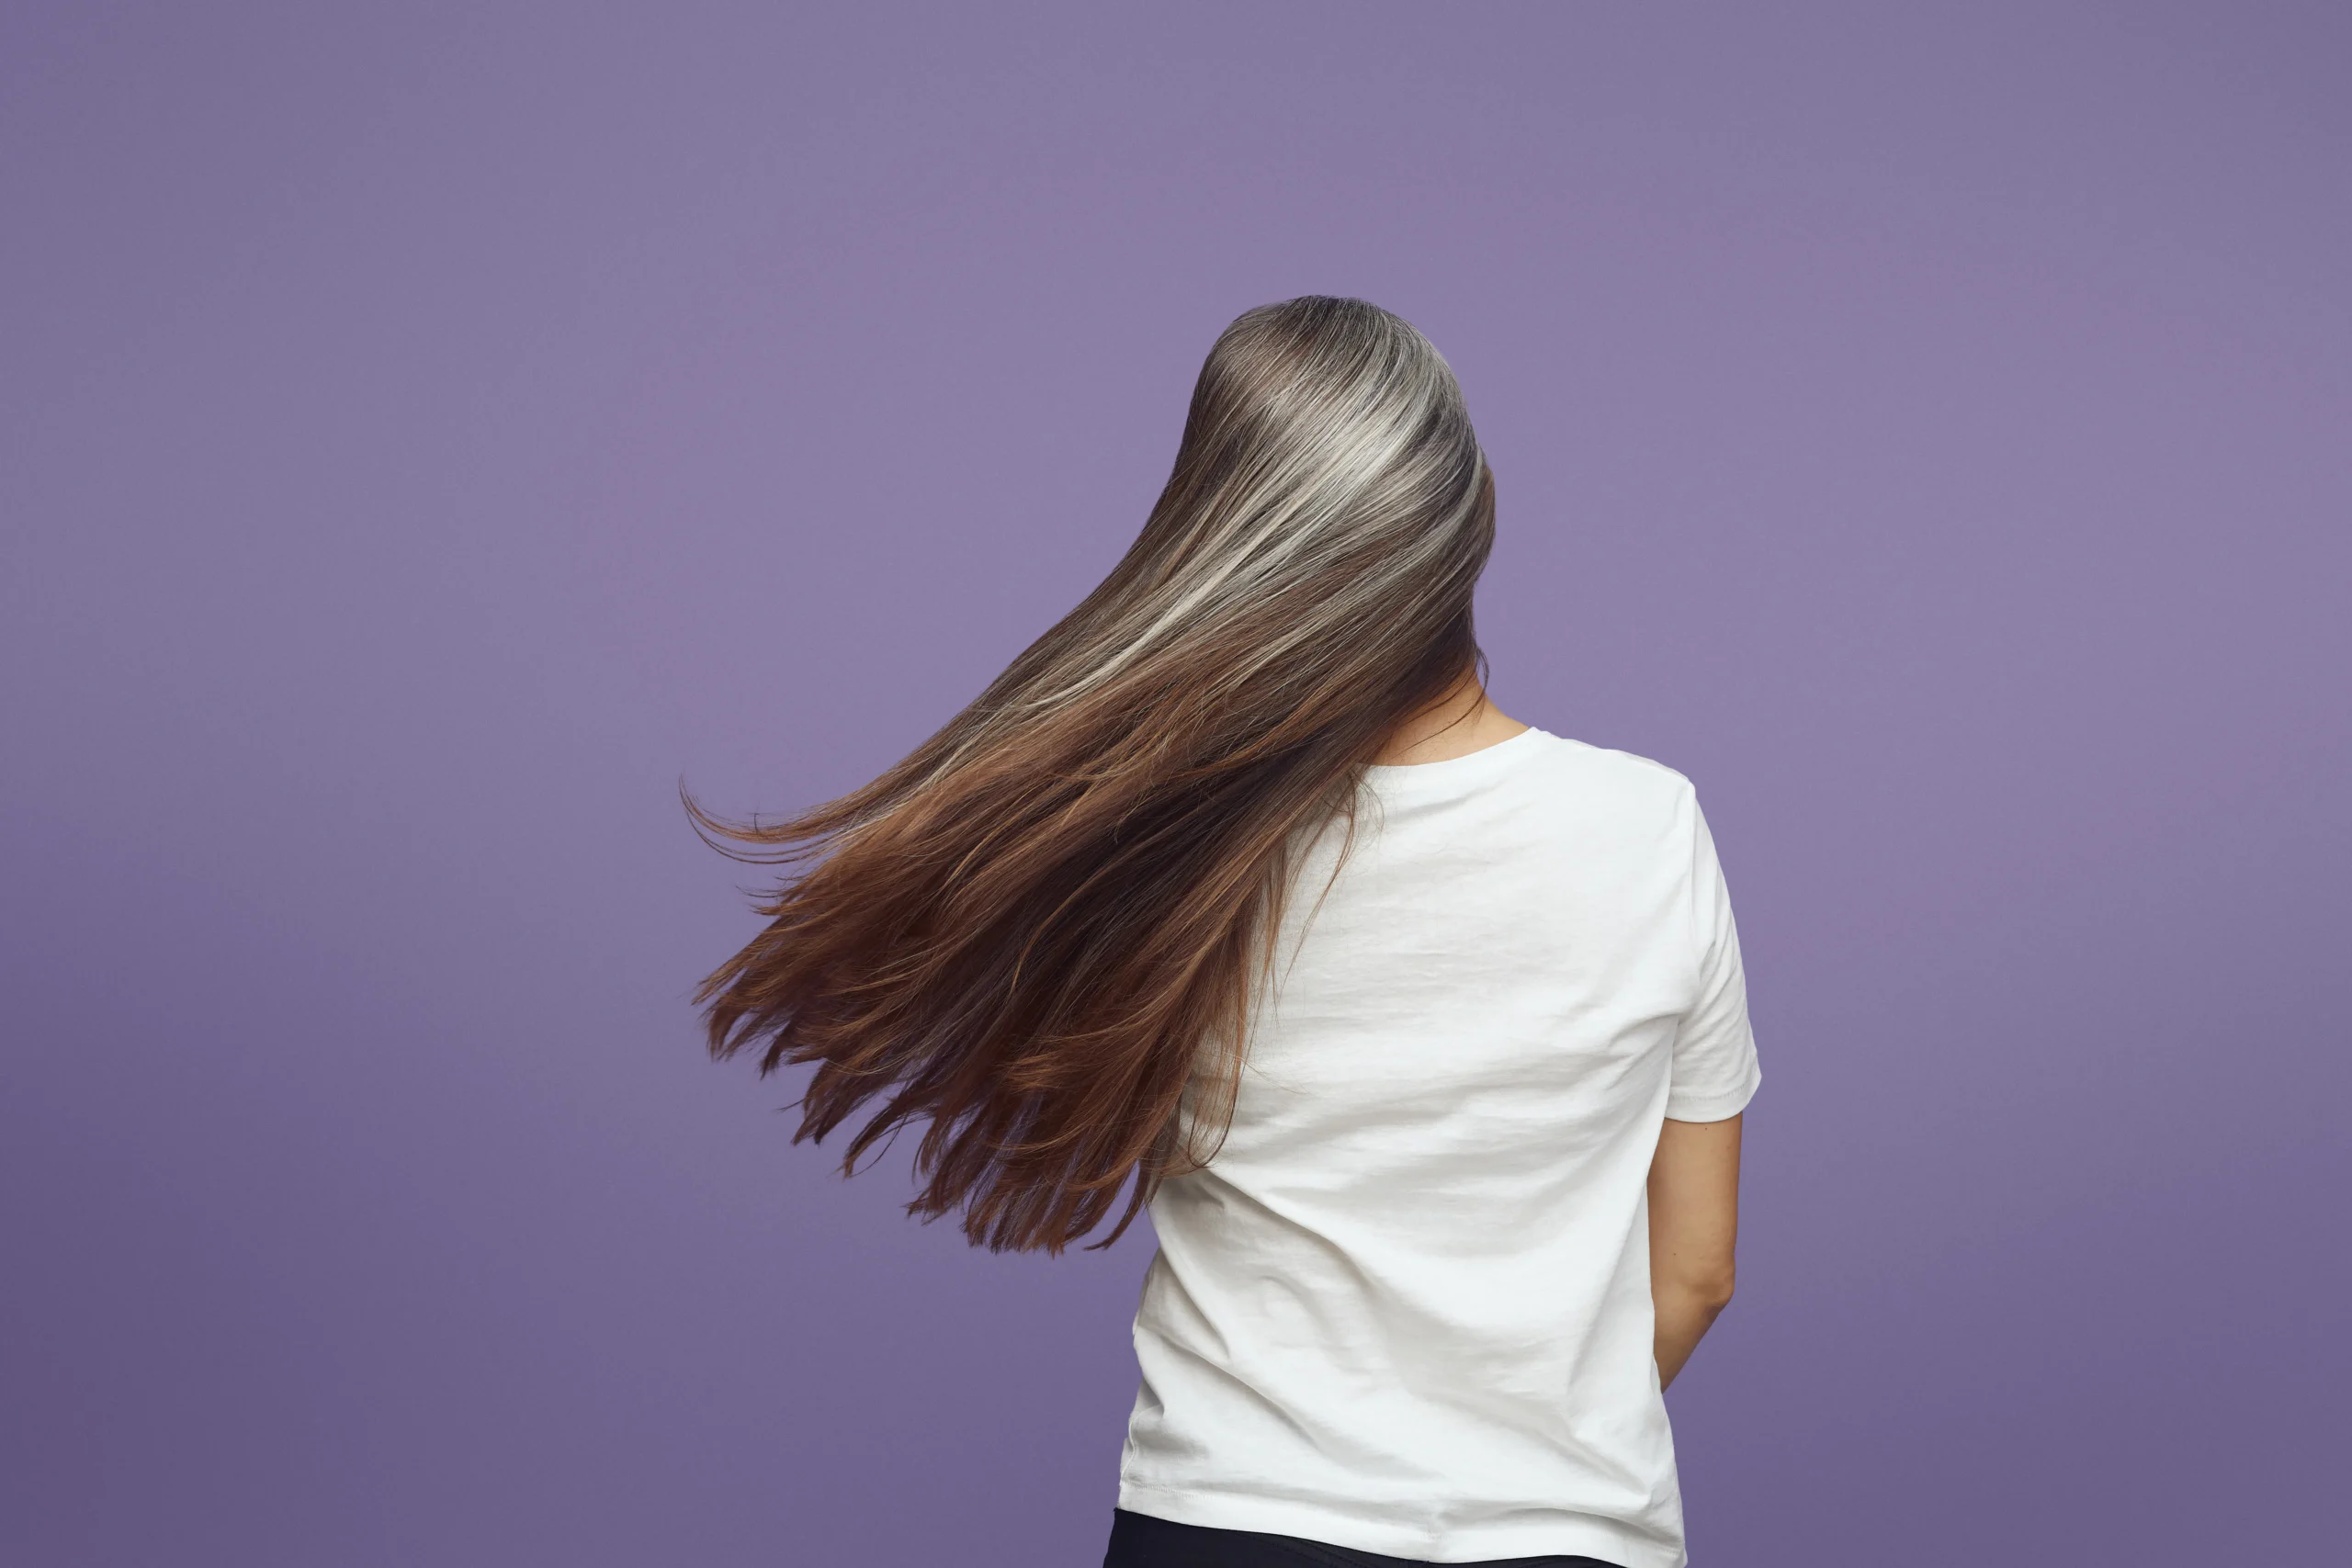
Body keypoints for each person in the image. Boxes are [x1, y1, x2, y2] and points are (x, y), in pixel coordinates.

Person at [691, 296, 1759, 1568]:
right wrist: (1527, 1449)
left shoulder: (1172, 848)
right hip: (1566, 1535)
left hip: (1227, 1526)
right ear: (1476, 513)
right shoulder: (1650, 827)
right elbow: (1695, 1272)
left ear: (1225, 542)